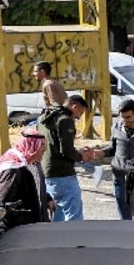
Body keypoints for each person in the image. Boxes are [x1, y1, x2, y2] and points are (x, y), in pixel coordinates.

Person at [40, 94, 95, 222]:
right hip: (63, 173)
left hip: (47, 171)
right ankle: (75, 240)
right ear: (74, 106)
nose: (79, 117)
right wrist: (82, 156)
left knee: (56, 212)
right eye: (80, 112)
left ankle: (58, 240)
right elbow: (66, 150)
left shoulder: (44, 117)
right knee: (73, 213)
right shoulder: (65, 120)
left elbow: (53, 145)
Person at [0, 127, 53, 231]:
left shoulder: (34, 163)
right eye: (42, 150)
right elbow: (1, 201)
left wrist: (47, 199)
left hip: (36, 224)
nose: (43, 154)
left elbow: (36, 186)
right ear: (33, 148)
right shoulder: (13, 168)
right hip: (19, 228)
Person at [102, 99, 134, 220]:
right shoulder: (116, 126)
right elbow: (113, 149)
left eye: (128, 117)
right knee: (124, 217)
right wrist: (99, 153)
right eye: (122, 118)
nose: (124, 122)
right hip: (120, 177)